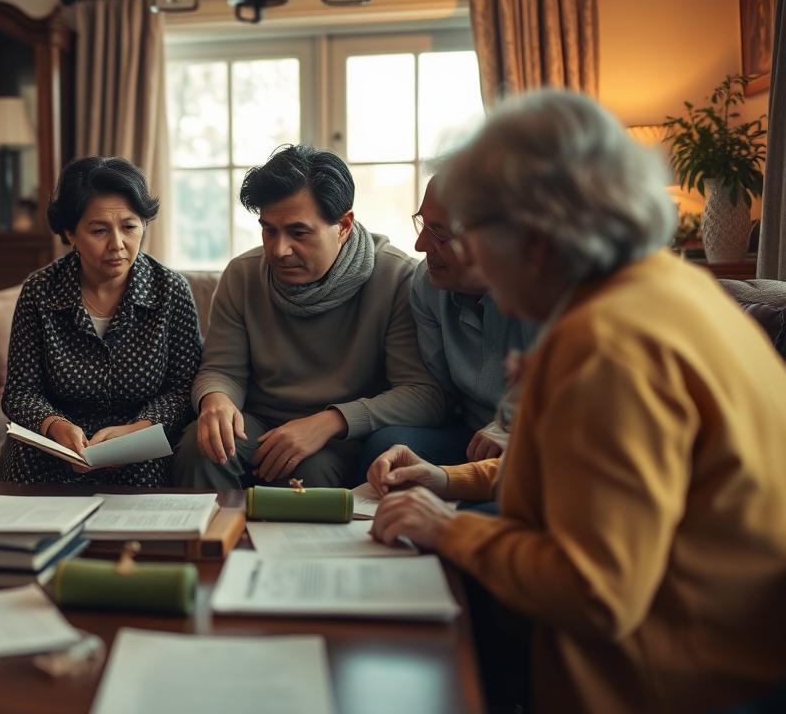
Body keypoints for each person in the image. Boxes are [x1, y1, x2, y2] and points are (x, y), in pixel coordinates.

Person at [367, 90, 786, 713]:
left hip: (674, 684)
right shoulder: (671, 290)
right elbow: (594, 487)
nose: (455, 252)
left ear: (534, 240)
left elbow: (597, 593)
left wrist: (451, 530)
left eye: (473, 231)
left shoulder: (607, 347)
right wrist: (449, 479)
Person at [171, 144, 444, 490]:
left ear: (344, 225)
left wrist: (331, 421)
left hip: (338, 437)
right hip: (256, 422)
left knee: (312, 473)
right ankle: (208, 544)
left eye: (299, 233)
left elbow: (423, 394)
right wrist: (216, 401)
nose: (279, 250)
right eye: (269, 230)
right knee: (204, 446)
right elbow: (222, 370)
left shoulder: (397, 277)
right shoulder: (241, 275)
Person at [1, 156, 202, 486]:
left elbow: (183, 389)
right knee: (29, 470)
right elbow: (20, 393)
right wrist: (55, 425)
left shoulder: (169, 290)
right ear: (71, 234)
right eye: (99, 230)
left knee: (144, 481)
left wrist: (138, 430)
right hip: (54, 444)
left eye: (130, 227)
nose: (118, 245)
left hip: (140, 441)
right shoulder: (40, 290)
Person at [358, 178, 538, 478]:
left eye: (439, 234)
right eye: (423, 225)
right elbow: (439, 394)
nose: (419, 245)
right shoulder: (426, 285)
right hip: (469, 435)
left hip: (542, 435)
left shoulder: (549, 293)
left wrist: (513, 427)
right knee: (388, 447)